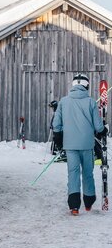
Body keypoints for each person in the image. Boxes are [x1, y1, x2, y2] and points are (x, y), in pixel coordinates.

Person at [52, 73, 107, 215]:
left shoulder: (63, 102)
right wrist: (104, 129)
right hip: (87, 145)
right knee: (87, 173)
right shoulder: (90, 102)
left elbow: (56, 125)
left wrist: (58, 139)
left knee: (73, 173)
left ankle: (74, 206)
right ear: (86, 85)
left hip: (70, 145)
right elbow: (98, 126)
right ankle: (88, 203)